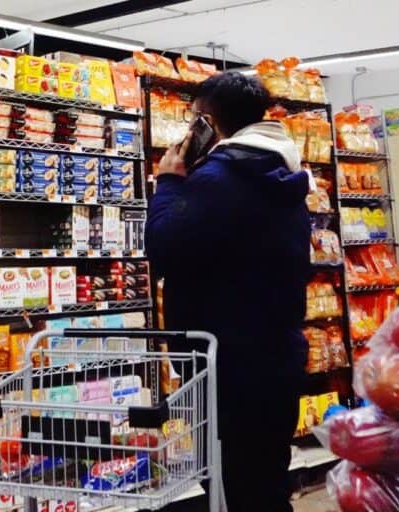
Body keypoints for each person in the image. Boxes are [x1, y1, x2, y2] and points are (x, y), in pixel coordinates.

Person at [145, 72, 310, 511]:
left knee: (231, 483)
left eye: (193, 120)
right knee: (265, 479)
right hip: (275, 355)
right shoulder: (282, 174)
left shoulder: (217, 179)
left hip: (227, 365)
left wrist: (168, 183)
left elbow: (163, 249)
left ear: (207, 123)